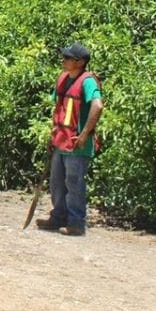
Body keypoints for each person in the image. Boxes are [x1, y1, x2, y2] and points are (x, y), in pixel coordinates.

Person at [36, 43, 103, 236]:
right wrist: (53, 134)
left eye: (68, 58)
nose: (63, 61)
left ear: (80, 62)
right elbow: (59, 108)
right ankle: (58, 217)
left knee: (74, 183)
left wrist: (84, 134)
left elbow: (97, 106)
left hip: (77, 144)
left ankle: (76, 223)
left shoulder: (88, 81)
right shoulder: (63, 79)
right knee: (57, 182)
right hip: (61, 141)